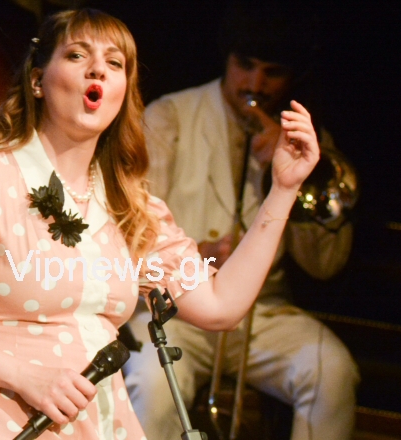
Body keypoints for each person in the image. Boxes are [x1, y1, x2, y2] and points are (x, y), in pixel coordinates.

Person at [0, 8, 321, 440]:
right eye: (76, 55)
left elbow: (219, 304)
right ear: (37, 80)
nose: (97, 70)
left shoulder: (127, 209)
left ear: (123, 90)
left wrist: (283, 190)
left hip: (85, 422)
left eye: (114, 63)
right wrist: (25, 375)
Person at [122, 2, 359, 440]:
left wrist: (292, 181)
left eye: (272, 73)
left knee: (333, 371)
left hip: (262, 314)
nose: (255, 84)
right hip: (175, 308)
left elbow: (325, 265)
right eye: (245, 66)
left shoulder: (305, 140)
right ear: (226, 59)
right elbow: (132, 229)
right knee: (151, 383)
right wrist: (196, 257)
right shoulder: (171, 116)